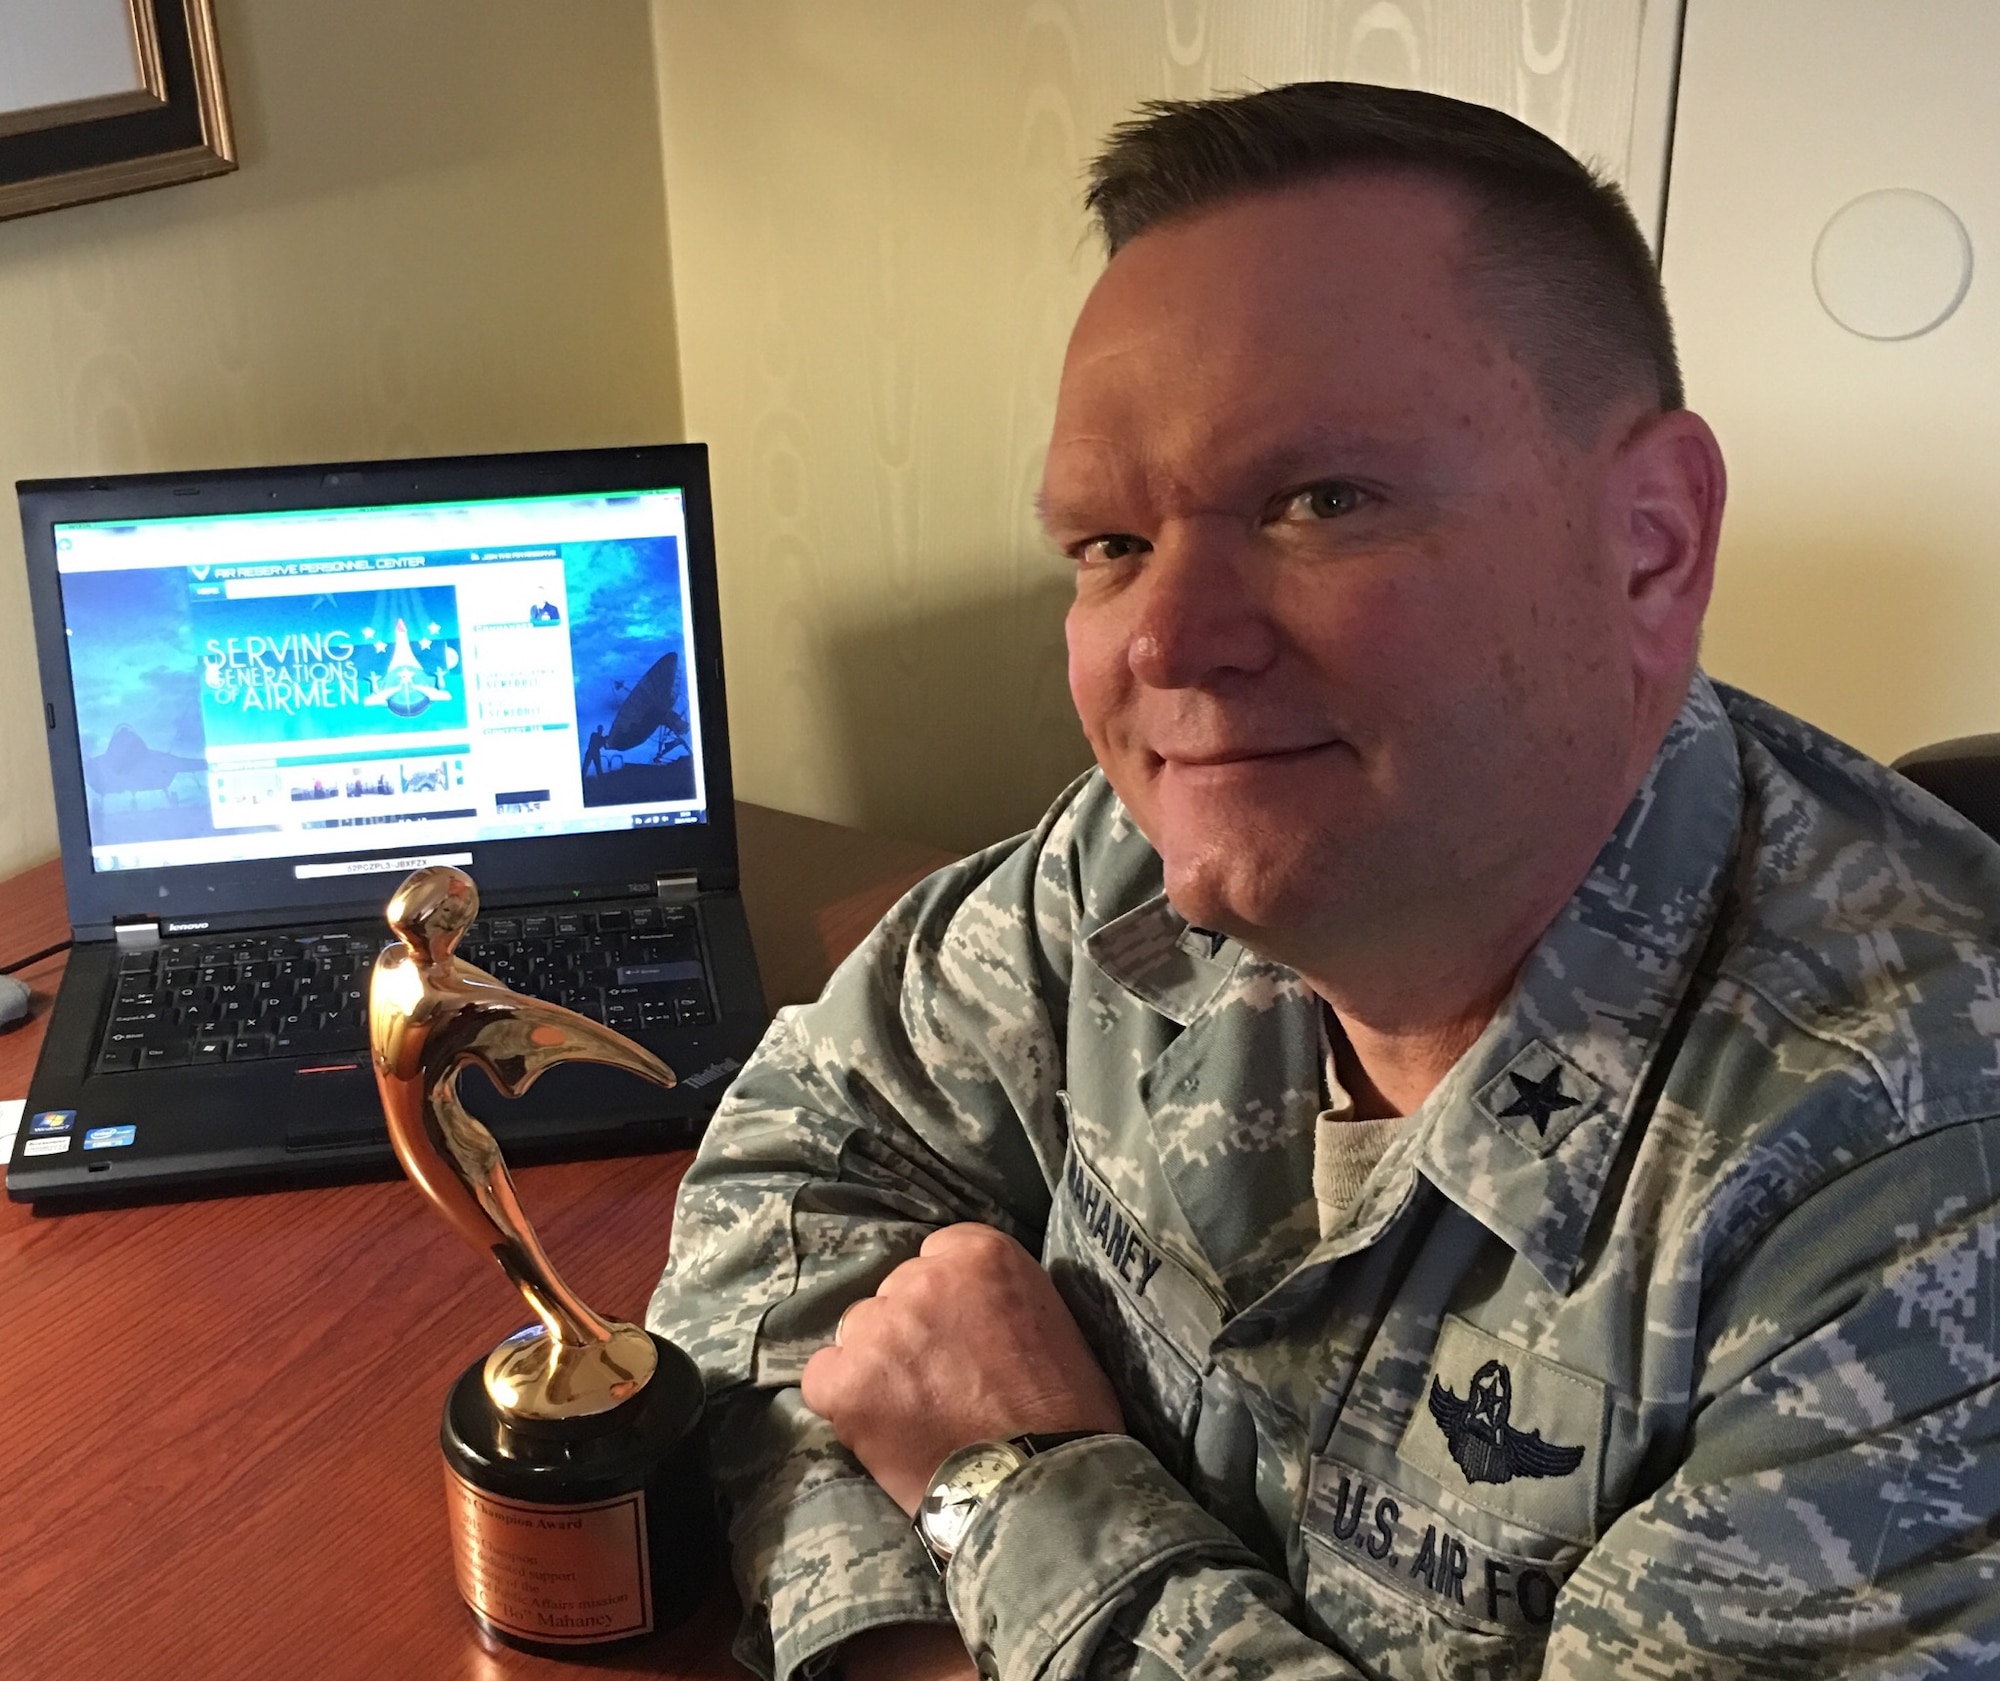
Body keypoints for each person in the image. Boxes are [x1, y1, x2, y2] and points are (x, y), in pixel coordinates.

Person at [648, 82, 2000, 1680]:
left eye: (1318, 500)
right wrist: (895, 1638)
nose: (1163, 639)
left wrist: (1008, 1487)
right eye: (1106, 543)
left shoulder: (1916, 1204)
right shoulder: (1140, 858)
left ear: (1649, 538)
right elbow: (789, 1190)